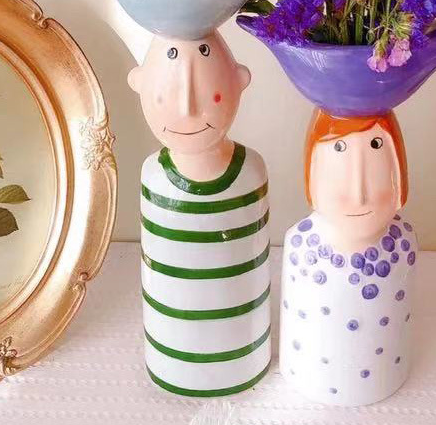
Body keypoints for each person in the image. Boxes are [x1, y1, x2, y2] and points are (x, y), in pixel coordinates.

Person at [129, 31, 271, 396]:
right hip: (170, 355)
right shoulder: (154, 177)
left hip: (244, 354)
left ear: (239, 83)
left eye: (208, 91)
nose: (188, 108)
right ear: (139, 84)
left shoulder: (251, 172)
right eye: (166, 92)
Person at [279, 109, 418, 406]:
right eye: (339, 149)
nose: (359, 195)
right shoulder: (302, 248)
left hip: (388, 379)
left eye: (377, 146)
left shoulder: (401, 245)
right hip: (306, 383)